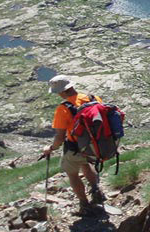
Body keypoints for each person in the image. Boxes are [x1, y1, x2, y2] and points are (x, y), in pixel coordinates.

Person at [43, 75, 106, 215]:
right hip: (96, 146)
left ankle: (85, 205)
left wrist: (51, 148)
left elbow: (59, 137)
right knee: (86, 163)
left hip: (76, 148)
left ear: (62, 92)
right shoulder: (93, 98)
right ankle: (97, 191)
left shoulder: (63, 109)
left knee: (72, 173)